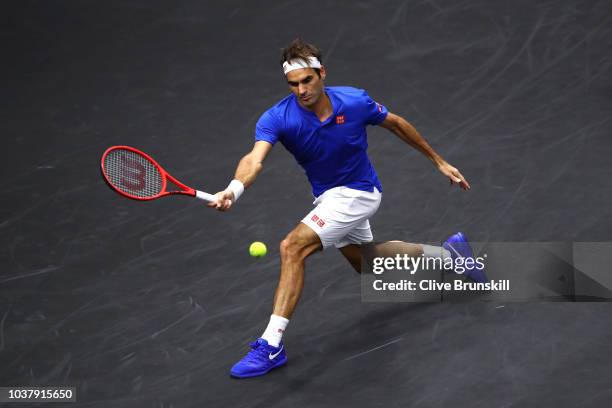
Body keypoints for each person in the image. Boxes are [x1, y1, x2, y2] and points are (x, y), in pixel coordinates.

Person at [208, 38, 487, 378]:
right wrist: (234, 190)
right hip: (329, 197)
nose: (301, 90)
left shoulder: (354, 101)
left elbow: (396, 123)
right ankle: (451, 255)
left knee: (291, 248)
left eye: (307, 81)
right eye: (293, 84)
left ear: (321, 73)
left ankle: (271, 345)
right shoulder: (277, 117)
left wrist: (439, 162)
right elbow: (254, 159)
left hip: (360, 192)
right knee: (365, 263)